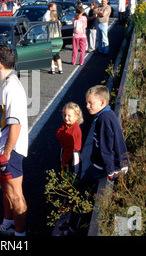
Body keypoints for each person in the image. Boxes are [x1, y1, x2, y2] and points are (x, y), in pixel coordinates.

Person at [61, 85, 129, 235]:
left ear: (102, 102)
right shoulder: (107, 115)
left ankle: (73, 228)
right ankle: (74, 224)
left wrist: (110, 171)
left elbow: (106, 149)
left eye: (90, 103)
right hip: (104, 164)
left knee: (81, 193)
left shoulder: (104, 119)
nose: (87, 106)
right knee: (83, 192)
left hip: (101, 167)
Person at [0, 45, 29, 236]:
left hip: (9, 152)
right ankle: (8, 224)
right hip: (3, 149)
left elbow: (16, 125)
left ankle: (20, 235)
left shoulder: (11, 87)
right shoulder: (6, 82)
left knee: (16, 194)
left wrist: (6, 153)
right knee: (6, 191)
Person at [56, 102, 83, 176]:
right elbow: (58, 134)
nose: (66, 118)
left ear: (76, 117)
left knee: (72, 174)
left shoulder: (73, 131)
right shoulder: (68, 125)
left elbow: (69, 149)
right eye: (65, 115)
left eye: (69, 116)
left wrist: (64, 161)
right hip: (67, 152)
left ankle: (68, 186)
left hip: (72, 155)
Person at [49, 10, 63, 74]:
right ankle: (60, 69)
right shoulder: (58, 22)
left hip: (52, 40)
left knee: (51, 55)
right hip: (58, 39)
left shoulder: (49, 23)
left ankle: (53, 69)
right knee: (57, 55)